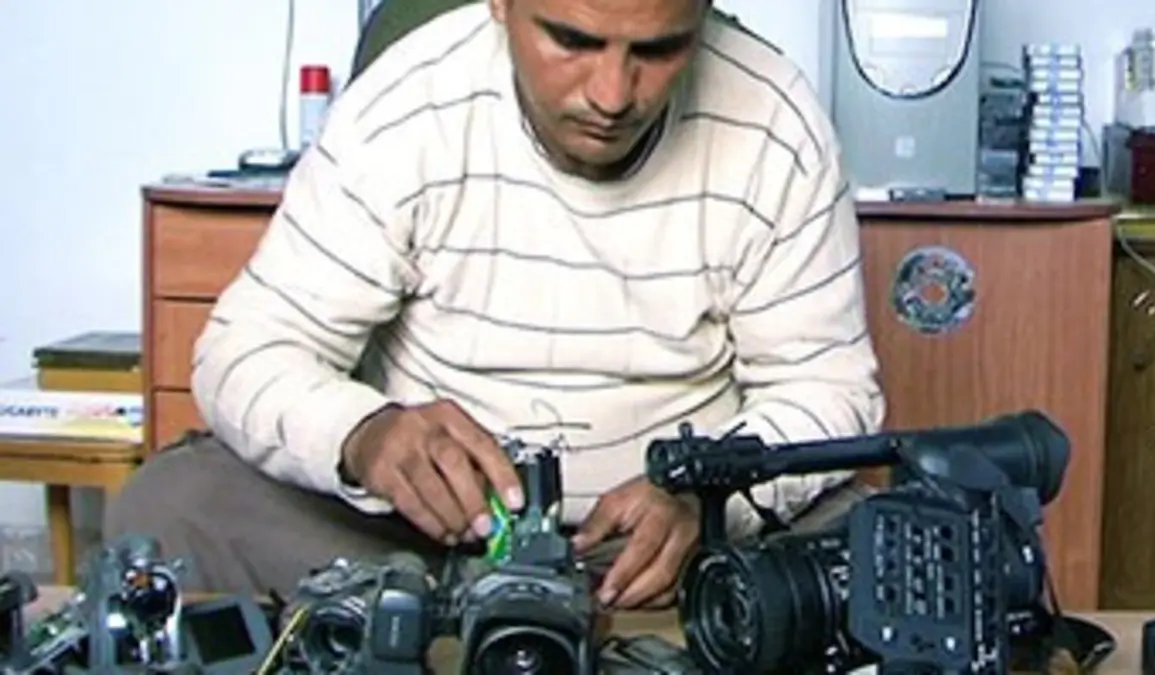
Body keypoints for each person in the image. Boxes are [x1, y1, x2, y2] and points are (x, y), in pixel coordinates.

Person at [105, 0, 885, 610]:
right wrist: (365, 436)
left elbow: (829, 388)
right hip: (412, 542)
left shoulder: (774, 118)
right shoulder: (403, 107)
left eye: (657, 50)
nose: (613, 95)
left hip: (673, 550)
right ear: (501, 5)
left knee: (885, 543)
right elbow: (245, 350)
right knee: (173, 504)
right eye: (572, 40)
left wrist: (709, 497)